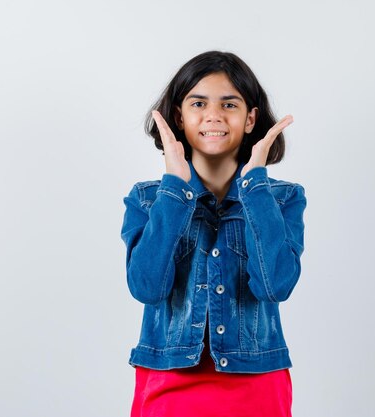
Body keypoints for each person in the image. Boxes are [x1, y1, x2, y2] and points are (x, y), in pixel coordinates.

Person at [120, 50, 307, 417]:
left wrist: (255, 184)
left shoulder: (282, 198)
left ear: (251, 118)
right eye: (199, 103)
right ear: (179, 115)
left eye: (230, 104)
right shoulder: (147, 198)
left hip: (256, 384)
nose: (214, 115)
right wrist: (174, 187)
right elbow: (147, 288)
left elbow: (275, 286)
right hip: (168, 379)